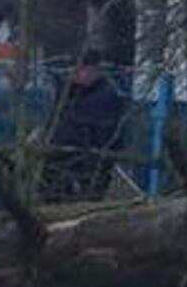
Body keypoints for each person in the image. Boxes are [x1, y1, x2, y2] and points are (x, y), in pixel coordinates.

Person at [42, 49, 125, 203]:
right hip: (58, 161)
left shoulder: (105, 97)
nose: (75, 74)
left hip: (83, 165)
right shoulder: (70, 93)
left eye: (82, 69)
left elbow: (102, 136)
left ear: (95, 70)